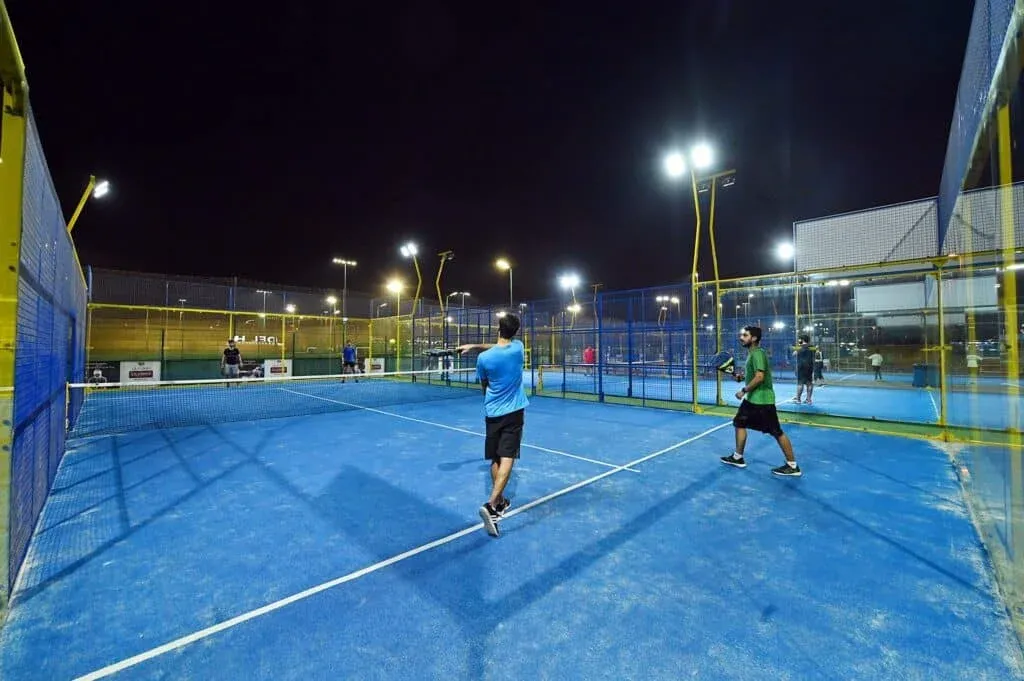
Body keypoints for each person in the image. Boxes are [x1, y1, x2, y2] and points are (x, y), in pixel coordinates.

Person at [458, 313, 530, 537]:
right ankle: (491, 505)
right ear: (515, 332)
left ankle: (499, 502)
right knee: (508, 457)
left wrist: (475, 346)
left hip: (492, 412)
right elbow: (501, 345)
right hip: (514, 412)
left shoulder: (484, 359)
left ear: (497, 329)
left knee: (496, 458)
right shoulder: (518, 348)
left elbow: (484, 384)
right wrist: (476, 345)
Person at [721, 326, 802, 477]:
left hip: (762, 401)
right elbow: (753, 375)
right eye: (741, 335)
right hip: (754, 400)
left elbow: (759, 377)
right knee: (739, 423)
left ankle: (792, 466)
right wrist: (739, 377)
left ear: (754, 338)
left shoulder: (757, 353)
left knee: (776, 432)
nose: (741, 337)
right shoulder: (753, 354)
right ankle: (738, 457)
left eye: (745, 335)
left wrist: (743, 391)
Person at [793, 334, 815, 404]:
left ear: (802, 340)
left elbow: (794, 354)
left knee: (800, 383)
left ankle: (798, 399)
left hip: (801, 366)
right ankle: (808, 400)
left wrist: (799, 345)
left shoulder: (799, 347)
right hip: (809, 366)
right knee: (809, 383)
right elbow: (815, 352)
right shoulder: (812, 347)